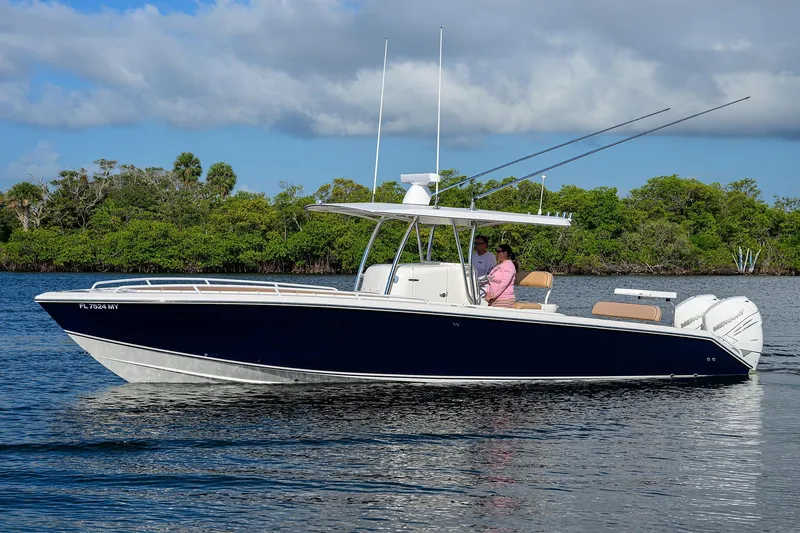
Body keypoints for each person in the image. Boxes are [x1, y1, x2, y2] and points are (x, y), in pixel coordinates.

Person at [484, 244, 517, 308]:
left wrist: (494, 295)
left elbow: (504, 283)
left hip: (504, 299)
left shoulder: (509, 266)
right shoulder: (498, 265)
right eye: (496, 251)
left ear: (505, 253)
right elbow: (490, 280)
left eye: (498, 251)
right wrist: (488, 293)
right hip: (492, 299)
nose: (496, 253)